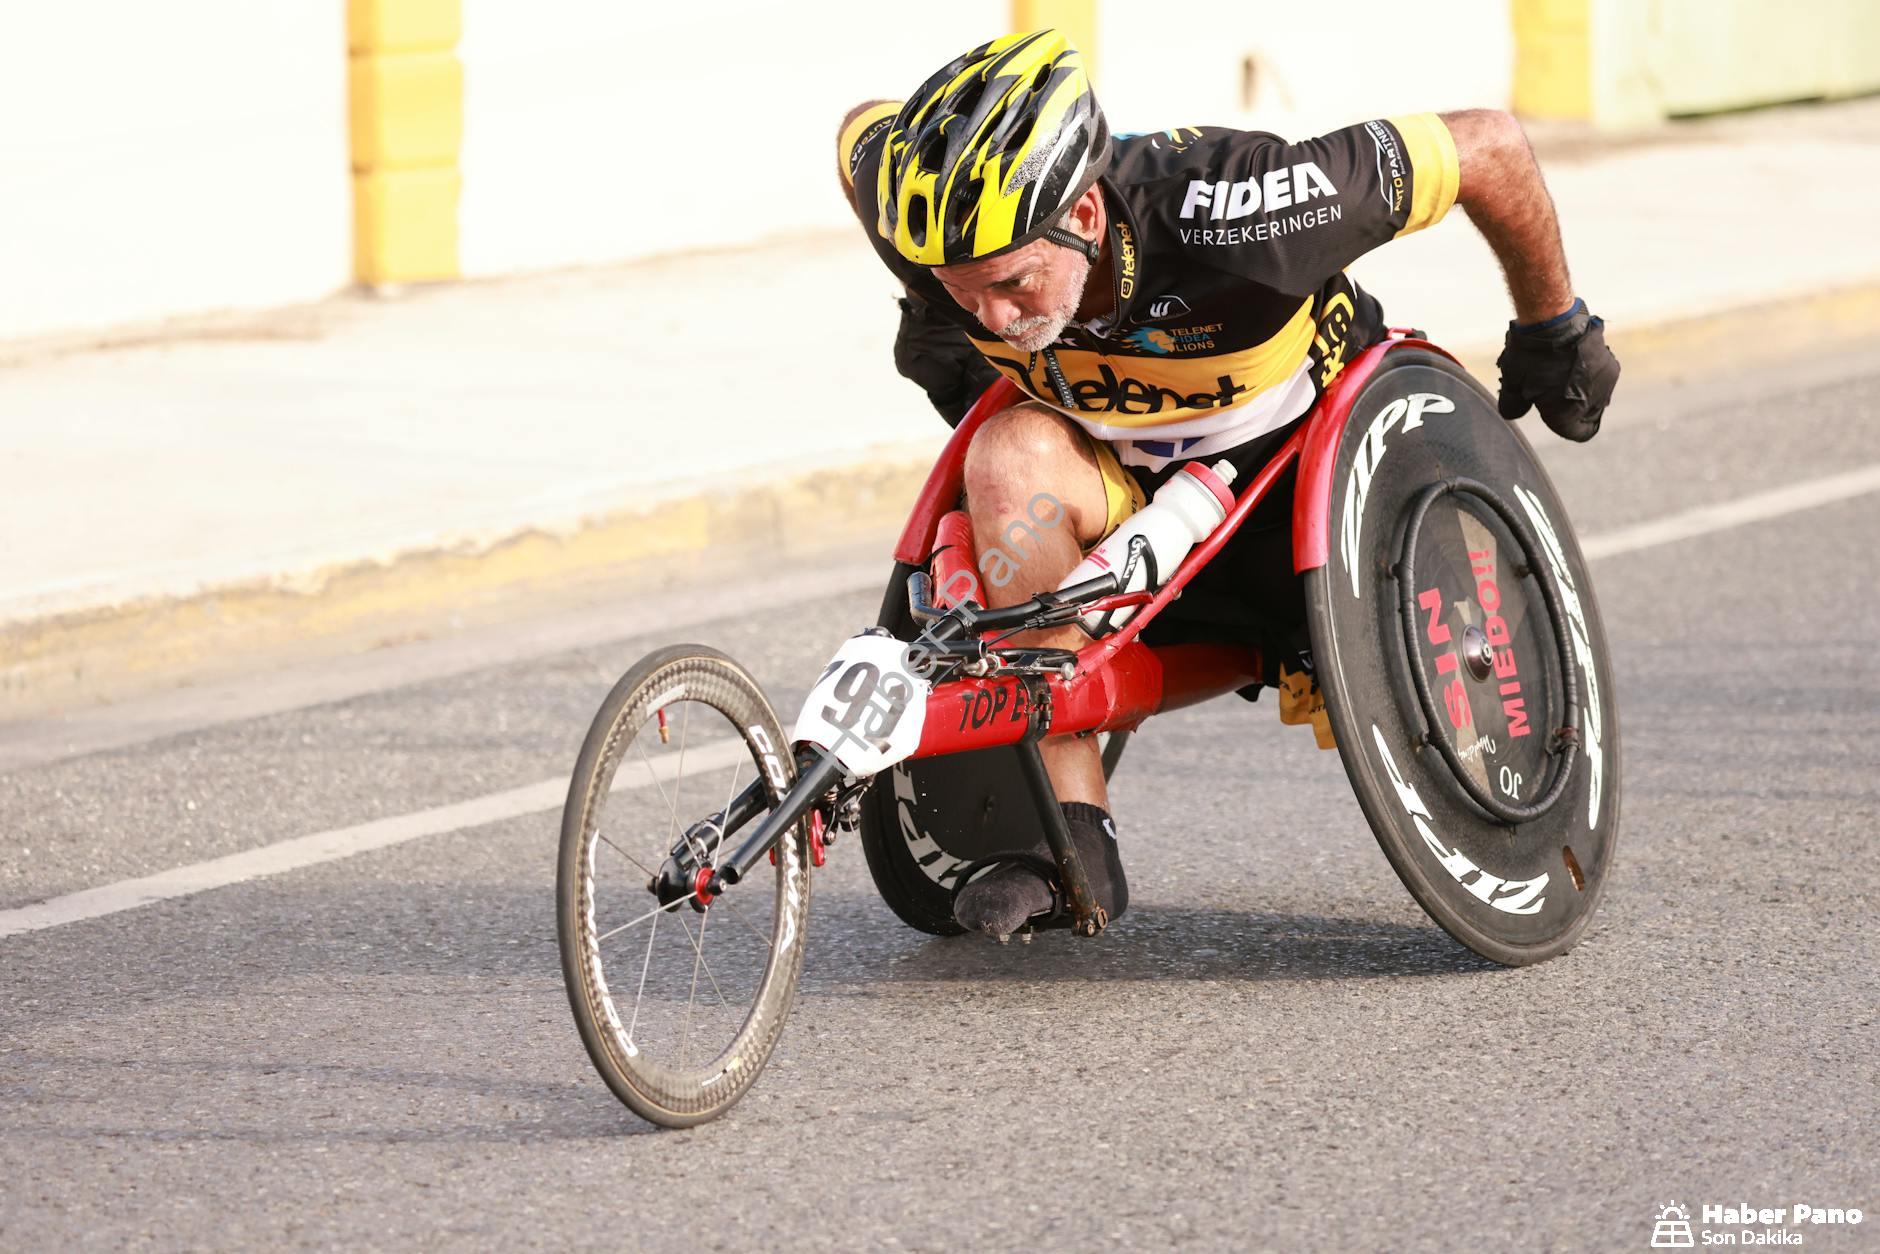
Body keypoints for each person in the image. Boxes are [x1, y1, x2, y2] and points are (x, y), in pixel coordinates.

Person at [835, 30, 1620, 942]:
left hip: (1302, 495)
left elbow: (1489, 145)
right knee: (1006, 457)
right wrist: (931, 307)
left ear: (1083, 213)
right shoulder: (926, 224)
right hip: (1125, 498)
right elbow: (859, 132)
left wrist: (1553, 325)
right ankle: (1075, 833)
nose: (994, 317)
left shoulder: (1248, 210)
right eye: (962, 291)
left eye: (1012, 284)